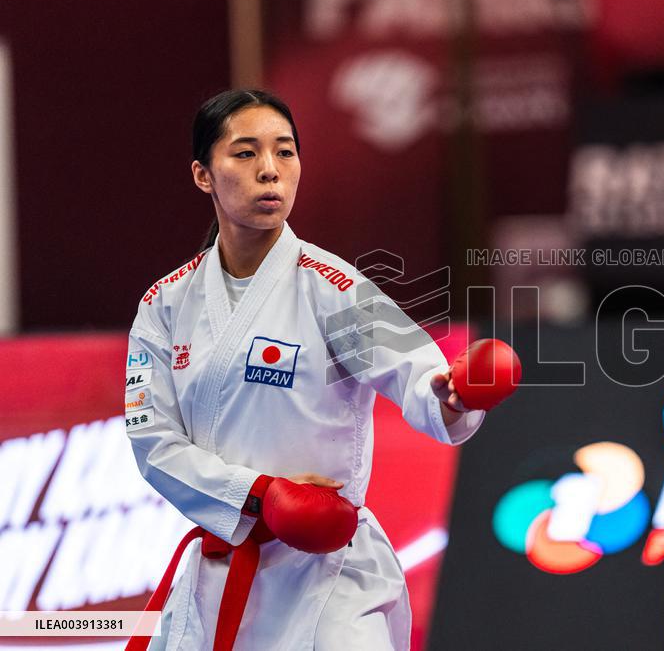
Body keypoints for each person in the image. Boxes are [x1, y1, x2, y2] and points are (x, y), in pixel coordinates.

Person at [124, 89, 486, 650]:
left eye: (284, 152)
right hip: (222, 567)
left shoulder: (334, 286)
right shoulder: (164, 304)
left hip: (331, 572)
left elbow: (417, 372)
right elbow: (152, 440)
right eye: (245, 154)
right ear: (203, 175)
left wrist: (449, 396)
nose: (269, 170)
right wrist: (261, 493)